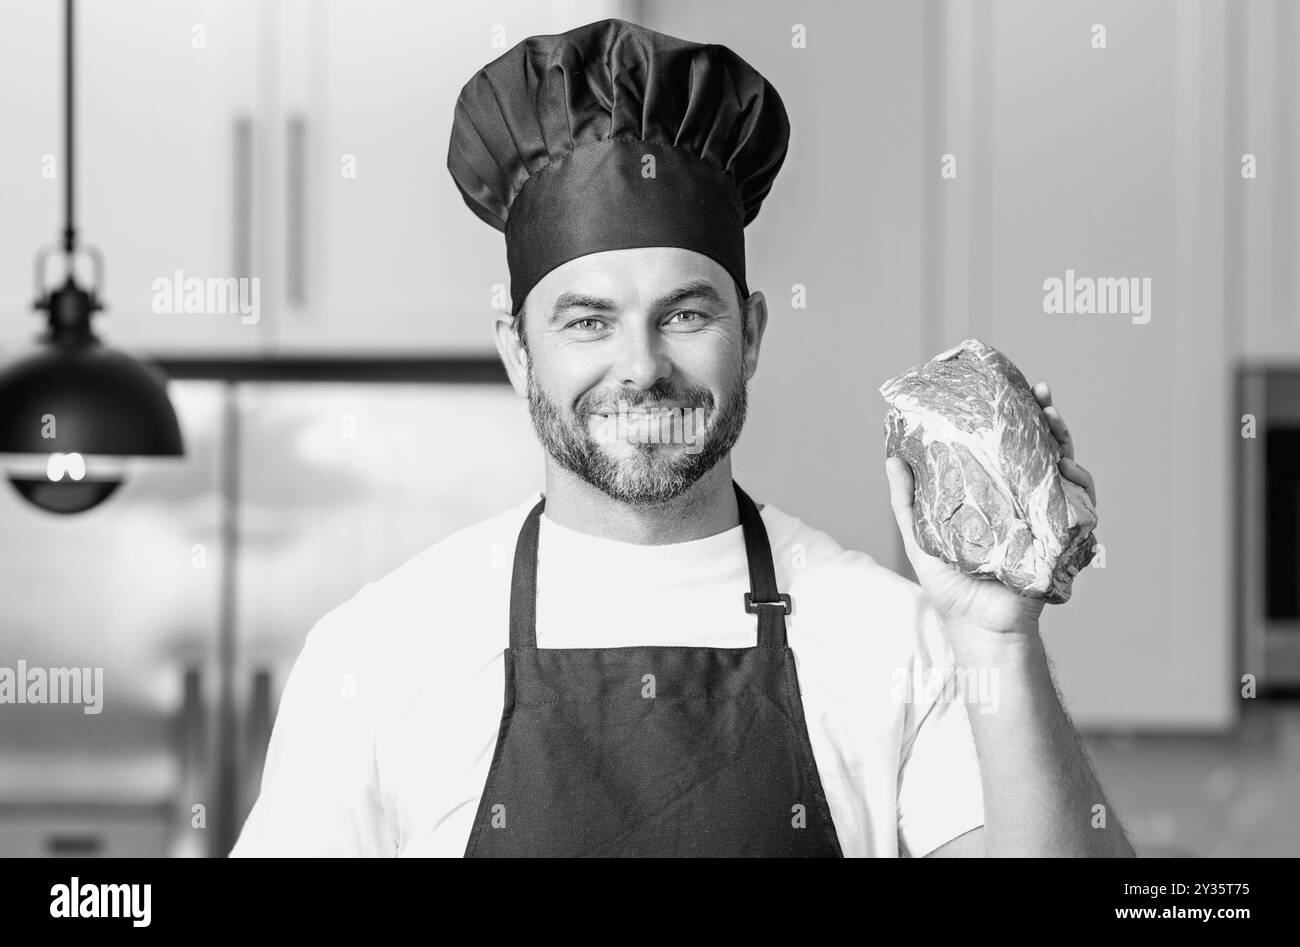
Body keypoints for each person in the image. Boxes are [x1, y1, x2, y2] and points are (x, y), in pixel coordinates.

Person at [230, 18, 1133, 858]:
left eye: (685, 312)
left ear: (752, 333)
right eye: (587, 322)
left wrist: (998, 639)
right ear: (517, 350)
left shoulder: (892, 637)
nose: (641, 365)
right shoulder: (381, 654)